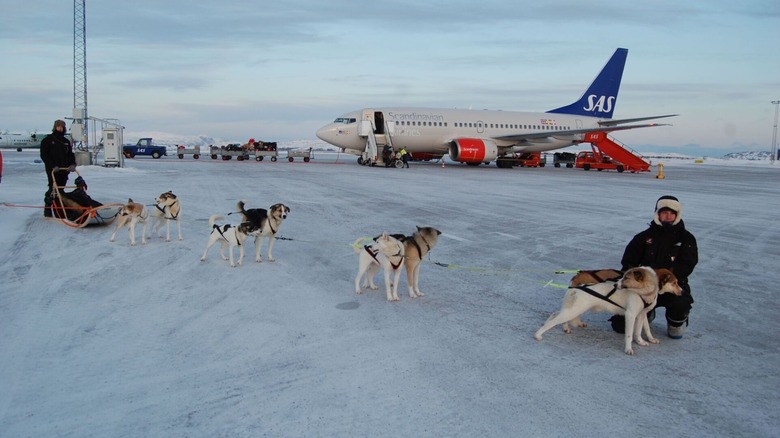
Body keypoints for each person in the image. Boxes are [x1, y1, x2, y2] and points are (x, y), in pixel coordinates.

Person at [611, 195, 698, 339]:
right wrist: (634, 278)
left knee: (680, 303)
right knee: (620, 326)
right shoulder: (644, 237)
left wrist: (667, 277)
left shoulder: (686, 238)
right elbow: (628, 262)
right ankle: (647, 313)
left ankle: (676, 322)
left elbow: (688, 264)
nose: (668, 216)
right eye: (664, 212)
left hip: (671, 285)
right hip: (644, 287)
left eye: (671, 213)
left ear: (677, 215)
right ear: (658, 214)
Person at [40, 119, 76, 217]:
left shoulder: (66, 141)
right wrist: (52, 166)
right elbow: (44, 155)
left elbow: (70, 155)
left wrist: (72, 164)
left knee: (60, 190)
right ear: (55, 127)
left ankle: (59, 210)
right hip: (53, 170)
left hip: (64, 170)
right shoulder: (48, 140)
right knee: (53, 189)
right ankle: (47, 209)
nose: (60, 128)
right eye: (58, 126)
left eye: (62, 126)